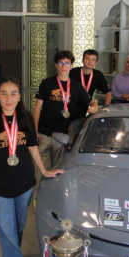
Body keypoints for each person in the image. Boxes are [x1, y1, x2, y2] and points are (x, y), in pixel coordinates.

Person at [0, 76, 63, 257]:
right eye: (4, 93)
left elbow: (32, 146)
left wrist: (44, 170)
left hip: (23, 182)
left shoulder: (26, 119)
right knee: (6, 229)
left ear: (19, 96)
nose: (8, 98)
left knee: (19, 226)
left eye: (13, 93)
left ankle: (11, 254)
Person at [33, 50, 94, 200]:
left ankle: (54, 199)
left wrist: (94, 106)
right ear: (56, 65)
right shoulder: (46, 83)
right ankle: (38, 200)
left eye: (67, 63)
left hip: (63, 138)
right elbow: (37, 108)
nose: (64, 66)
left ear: (71, 66)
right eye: (61, 63)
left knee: (58, 171)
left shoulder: (76, 86)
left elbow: (90, 101)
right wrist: (35, 131)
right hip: (44, 135)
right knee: (40, 171)